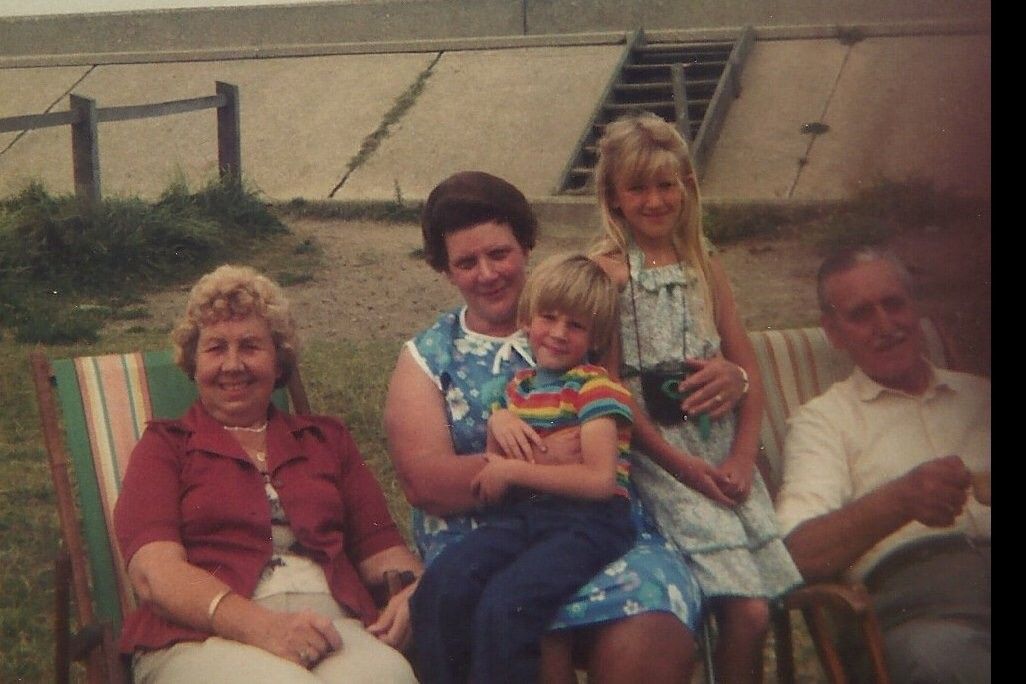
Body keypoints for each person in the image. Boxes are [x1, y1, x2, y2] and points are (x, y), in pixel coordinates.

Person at [384, 170, 707, 683]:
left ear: (527, 245)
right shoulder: (428, 357)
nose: (487, 273)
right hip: (486, 536)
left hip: (598, 530)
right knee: (514, 619)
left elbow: (668, 381)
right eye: (466, 262)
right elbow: (426, 483)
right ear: (445, 270)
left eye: (500, 254)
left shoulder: (582, 317)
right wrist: (543, 459)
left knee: (651, 633)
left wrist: (734, 375)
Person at [113, 264, 421, 683]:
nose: (233, 364)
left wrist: (414, 590)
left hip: (333, 627)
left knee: (390, 676)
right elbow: (155, 575)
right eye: (216, 348)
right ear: (193, 362)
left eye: (251, 346)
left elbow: (381, 549)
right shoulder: (165, 447)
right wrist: (265, 628)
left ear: (279, 362)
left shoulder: (325, 439)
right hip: (201, 637)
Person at [589, 112, 802, 684]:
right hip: (658, 460)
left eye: (667, 184)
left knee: (756, 604)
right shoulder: (607, 275)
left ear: (687, 186)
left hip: (721, 456)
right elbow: (609, 393)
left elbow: (747, 369)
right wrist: (682, 466)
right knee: (744, 609)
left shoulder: (706, 267)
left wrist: (741, 455)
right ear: (613, 195)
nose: (655, 200)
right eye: (638, 187)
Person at [411, 252, 637, 683]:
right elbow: (496, 472)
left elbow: (599, 481)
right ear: (527, 320)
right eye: (548, 317)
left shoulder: (597, 389)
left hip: (588, 524)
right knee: (443, 586)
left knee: (507, 602)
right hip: (524, 516)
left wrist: (514, 471)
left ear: (596, 337)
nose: (557, 333)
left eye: (576, 325)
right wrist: (499, 421)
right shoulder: (518, 390)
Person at [775, 246, 991, 682]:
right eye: (861, 314)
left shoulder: (979, 395)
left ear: (917, 308)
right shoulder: (826, 422)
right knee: (942, 659)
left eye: (894, 304)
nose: (885, 325)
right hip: (921, 608)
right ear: (834, 332)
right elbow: (797, 553)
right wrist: (900, 500)